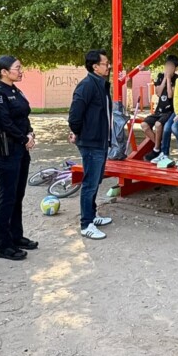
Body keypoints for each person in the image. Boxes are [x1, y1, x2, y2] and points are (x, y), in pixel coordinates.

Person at [0, 55, 37, 262]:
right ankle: (3, 245)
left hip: (21, 149)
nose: (21, 71)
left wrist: (30, 133)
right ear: (4, 72)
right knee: (7, 197)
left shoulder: (15, 91)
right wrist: (24, 138)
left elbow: (23, 117)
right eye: (17, 68)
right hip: (6, 150)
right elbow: (4, 122)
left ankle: (16, 236)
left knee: (18, 195)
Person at [68, 50, 114, 240]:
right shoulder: (87, 86)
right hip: (91, 142)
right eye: (105, 63)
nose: (108, 66)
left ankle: (92, 215)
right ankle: (86, 224)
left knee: (95, 181)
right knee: (90, 183)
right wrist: (79, 133)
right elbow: (75, 115)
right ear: (95, 67)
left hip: (100, 141)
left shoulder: (101, 84)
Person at [143, 55, 178, 163]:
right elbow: (158, 93)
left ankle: (157, 149)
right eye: (167, 65)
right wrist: (164, 78)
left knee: (158, 125)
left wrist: (168, 79)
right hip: (159, 109)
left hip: (169, 110)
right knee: (144, 125)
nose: (168, 68)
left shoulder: (177, 79)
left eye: (171, 66)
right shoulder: (160, 76)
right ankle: (159, 147)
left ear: (175, 68)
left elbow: (170, 95)